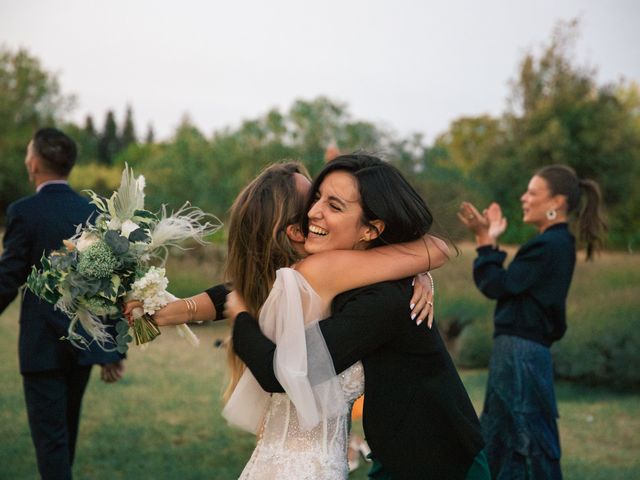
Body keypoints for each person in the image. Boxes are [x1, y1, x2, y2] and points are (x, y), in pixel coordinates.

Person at [126, 159, 443, 478]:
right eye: (312, 201)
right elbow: (436, 248)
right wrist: (418, 267)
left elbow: (234, 292)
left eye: (326, 200)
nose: (317, 209)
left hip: (274, 463)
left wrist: (179, 309)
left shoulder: (275, 286)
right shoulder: (320, 272)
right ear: (294, 230)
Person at [229, 154, 490, 480]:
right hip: (396, 457)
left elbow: (281, 373)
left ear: (370, 230)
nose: (312, 212)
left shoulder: (383, 299)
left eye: (334, 206)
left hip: (443, 464)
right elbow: (271, 282)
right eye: (317, 198)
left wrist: (239, 314)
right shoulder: (353, 277)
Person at [458, 164, 606, 479]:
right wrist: (491, 241)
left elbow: (497, 285)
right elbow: (510, 286)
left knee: (526, 439)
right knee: (506, 436)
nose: (524, 198)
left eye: (533, 192)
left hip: (520, 354)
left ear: (557, 203)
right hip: (519, 352)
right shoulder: (554, 244)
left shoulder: (549, 245)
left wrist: (484, 239)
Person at [0, 128, 125, 480]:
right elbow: (111, 283)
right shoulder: (92, 212)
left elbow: (8, 279)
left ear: (34, 162)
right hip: (82, 345)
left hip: (42, 349)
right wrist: (113, 348)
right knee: (64, 439)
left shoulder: (24, 212)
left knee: (52, 445)